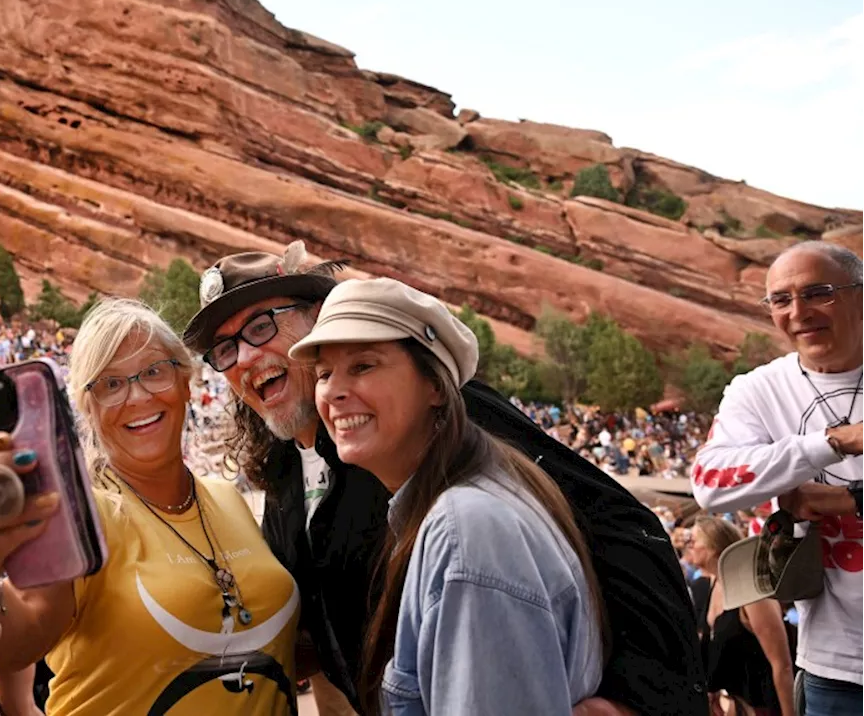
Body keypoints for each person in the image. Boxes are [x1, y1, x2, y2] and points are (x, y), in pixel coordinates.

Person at [181, 241, 706, 716]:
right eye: (224, 350)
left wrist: (634, 698)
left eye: (261, 326)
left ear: (318, 319)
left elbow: (621, 526)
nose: (245, 357)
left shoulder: (438, 417)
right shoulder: (284, 476)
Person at [0, 298, 301, 714]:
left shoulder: (227, 498)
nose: (138, 396)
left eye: (154, 372)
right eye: (110, 384)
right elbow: (20, 641)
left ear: (186, 382)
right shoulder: (82, 519)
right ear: (87, 407)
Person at [286, 276, 606, 713]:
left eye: (363, 366)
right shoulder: (468, 499)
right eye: (324, 373)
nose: (334, 391)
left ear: (435, 386)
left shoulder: (468, 532)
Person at [692, 241, 864, 715]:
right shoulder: (757, 390)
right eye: (780, 300)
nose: (799, 312)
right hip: (838, 669)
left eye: (819, 292)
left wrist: (843, 501)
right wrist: (834, 443)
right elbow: (709, 482)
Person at [685, 517, 794, 716]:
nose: (688, 545)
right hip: (738, 705)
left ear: (715, 546)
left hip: (766, 708)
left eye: (693, 540)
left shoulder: (751, 591)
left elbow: (783, 665)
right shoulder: (715, 582)